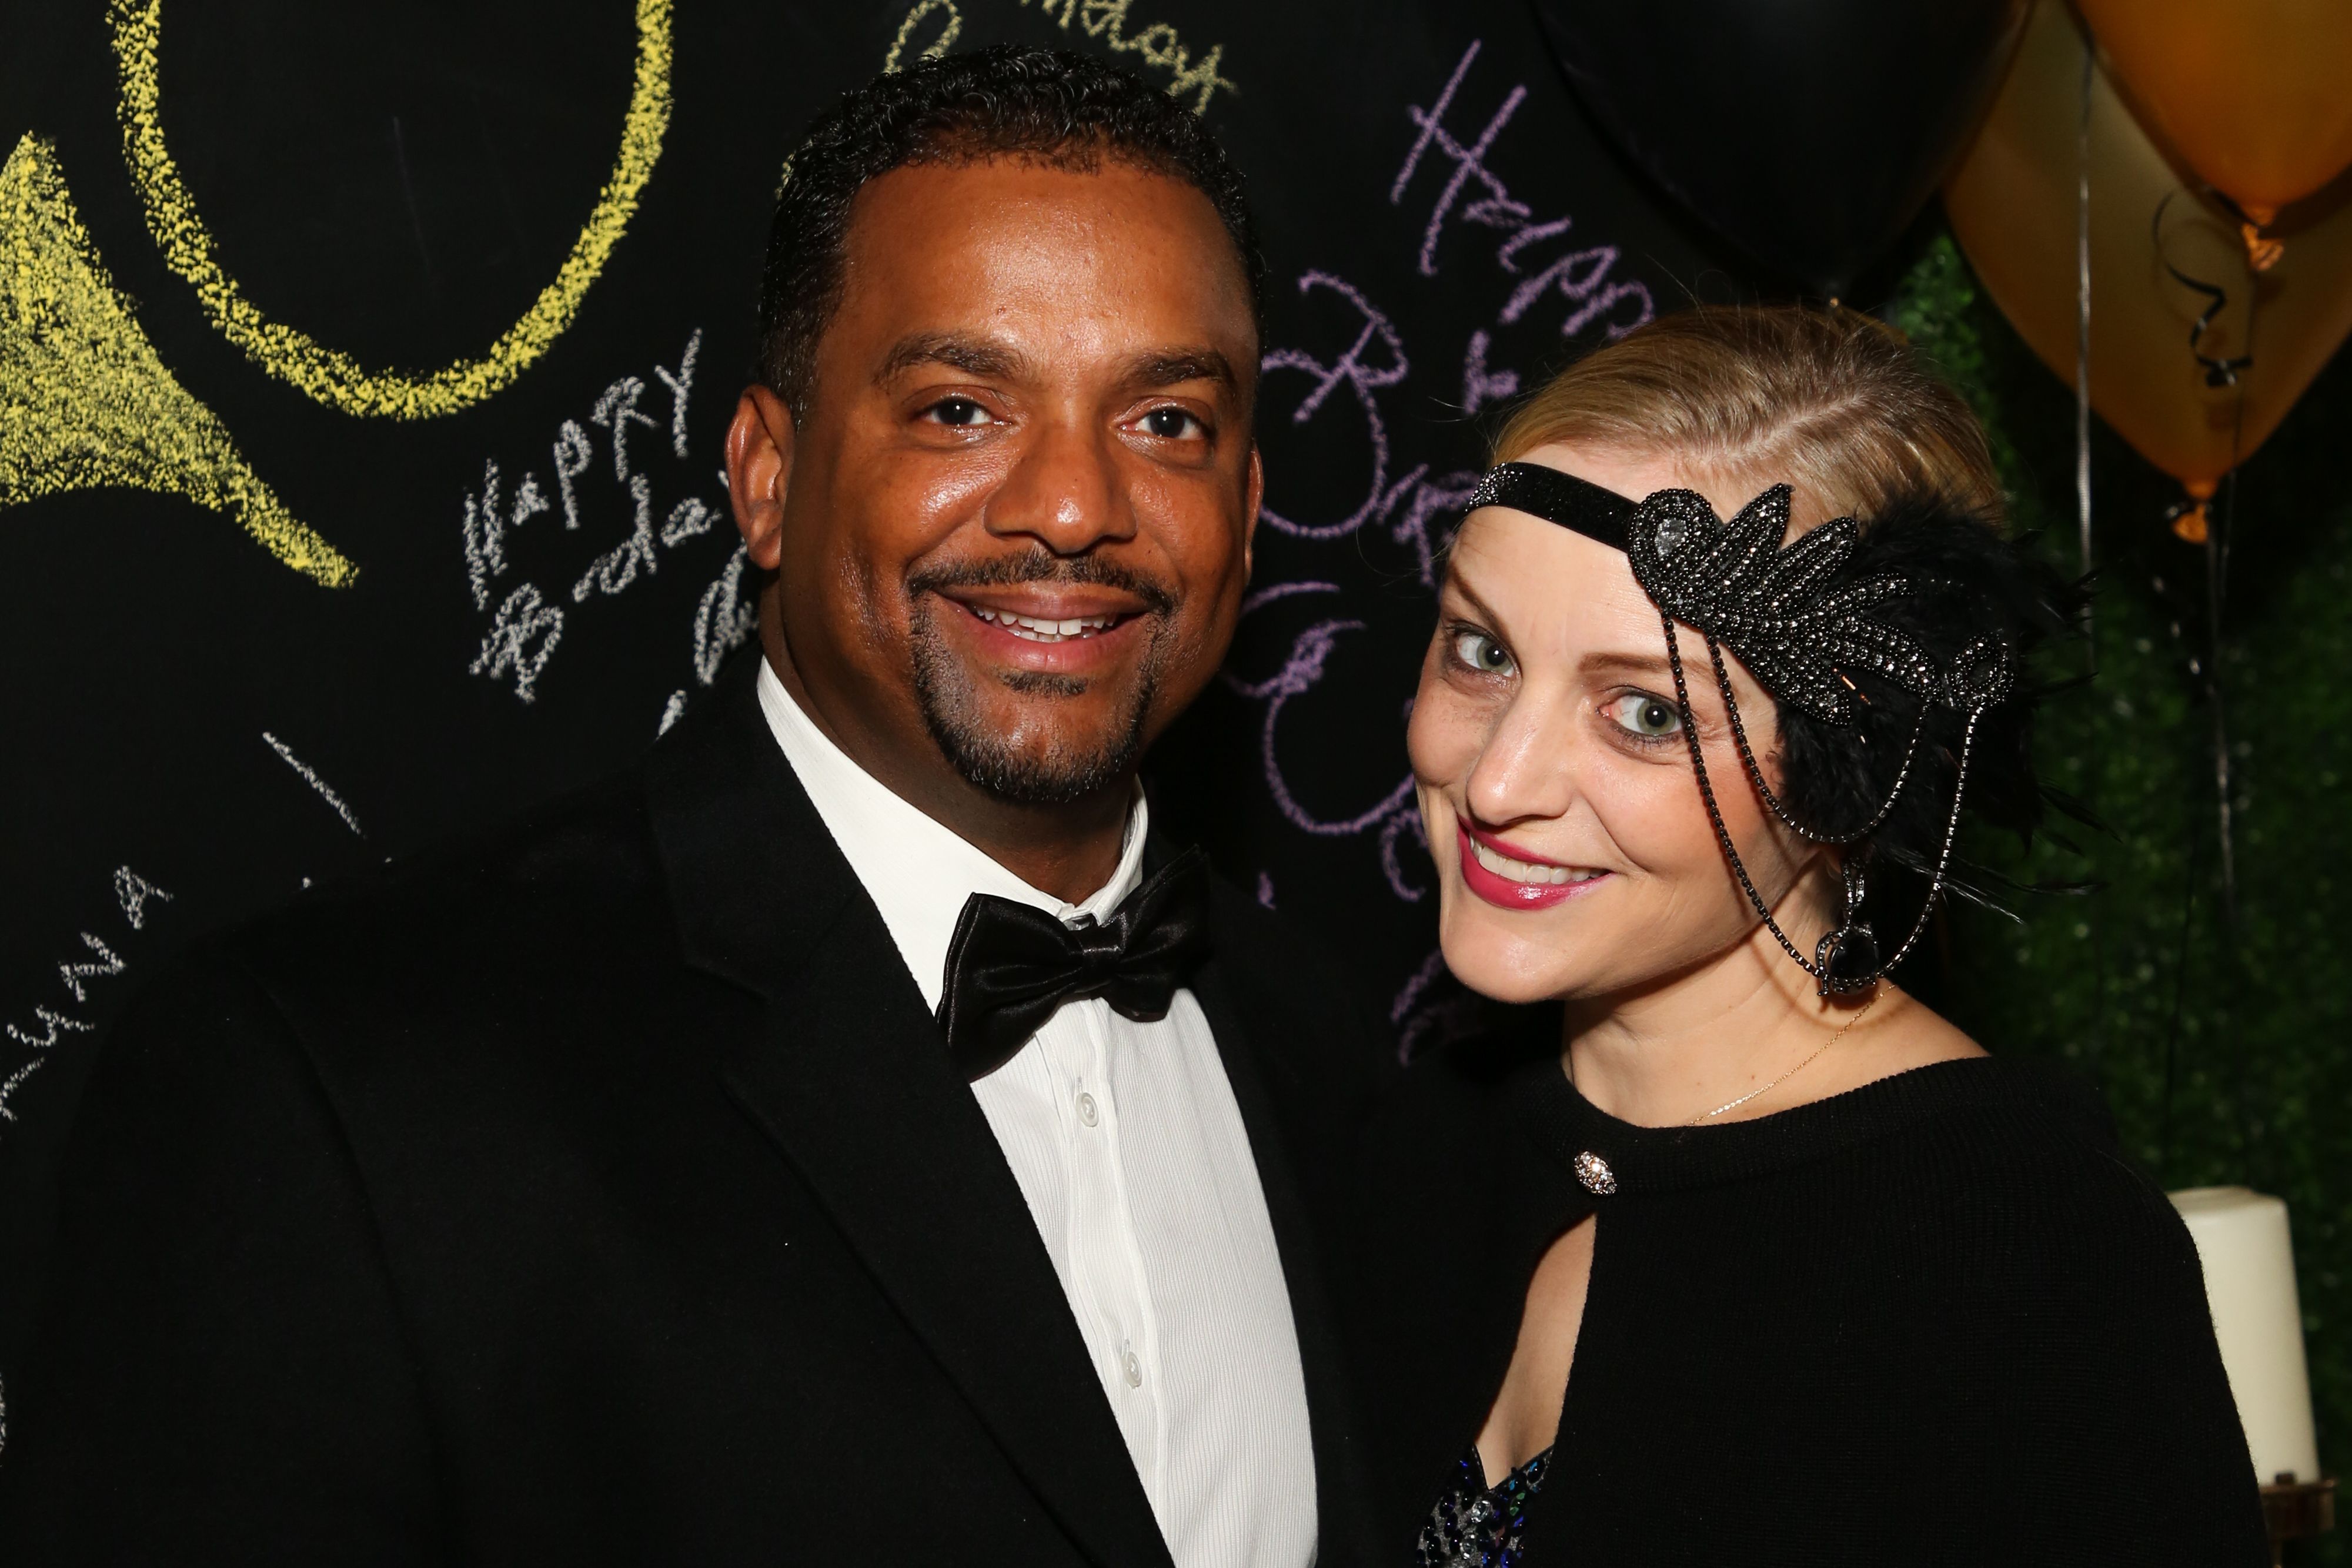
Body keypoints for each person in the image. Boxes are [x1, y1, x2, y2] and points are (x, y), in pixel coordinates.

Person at [0, 47, 1380, 1567]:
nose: (1071, 503)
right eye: (960, 407)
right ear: (767, 476)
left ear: (1249, 511)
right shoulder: (332, 1090)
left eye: (1167, 421)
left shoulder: (1375, 1089)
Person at [1346, 306, 2269, 1566]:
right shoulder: (1397, 1147)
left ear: (1857, 768)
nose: (1499, 779)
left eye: (1642, 713)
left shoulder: (2025, 1258)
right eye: (1479, 649)